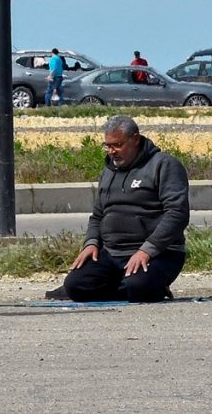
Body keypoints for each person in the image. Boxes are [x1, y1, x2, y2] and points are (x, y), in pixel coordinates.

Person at [61, 115, 188, 302]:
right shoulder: (108, 171)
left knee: (138, 288)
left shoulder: (164, 165)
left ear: (135, 139)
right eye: (107, 146)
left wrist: (147, 250)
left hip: (158, 253)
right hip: (112, 252)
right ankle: (125, 285)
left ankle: (146, 285)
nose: (111, 151)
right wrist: (91, 243)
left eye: (117, 145)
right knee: (75, 286)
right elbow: (97, 216)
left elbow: (177, 214)